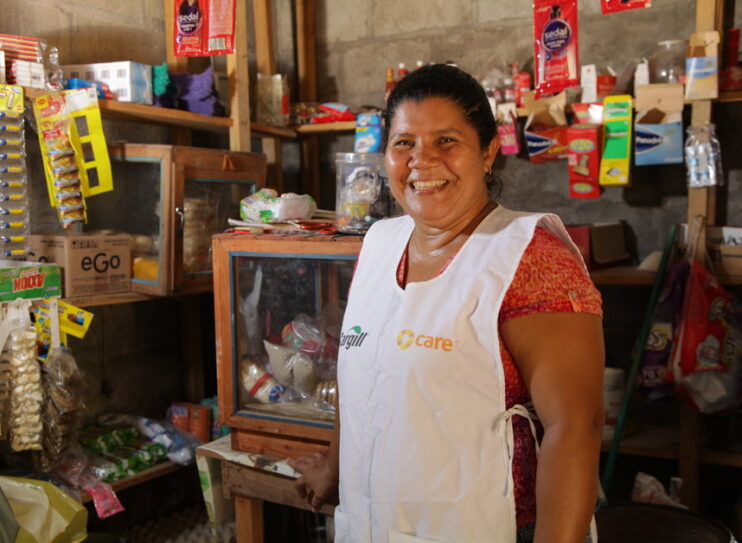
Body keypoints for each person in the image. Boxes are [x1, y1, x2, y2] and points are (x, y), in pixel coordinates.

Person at [288, 63, 604, 543]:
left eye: (446, 141)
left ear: (488, 151)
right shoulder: (379, 243)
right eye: (404, 143)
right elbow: (363, 381)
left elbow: (575, 428)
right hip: (374, 525)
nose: (422, 160)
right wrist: (336, 467)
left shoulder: (531, 255)